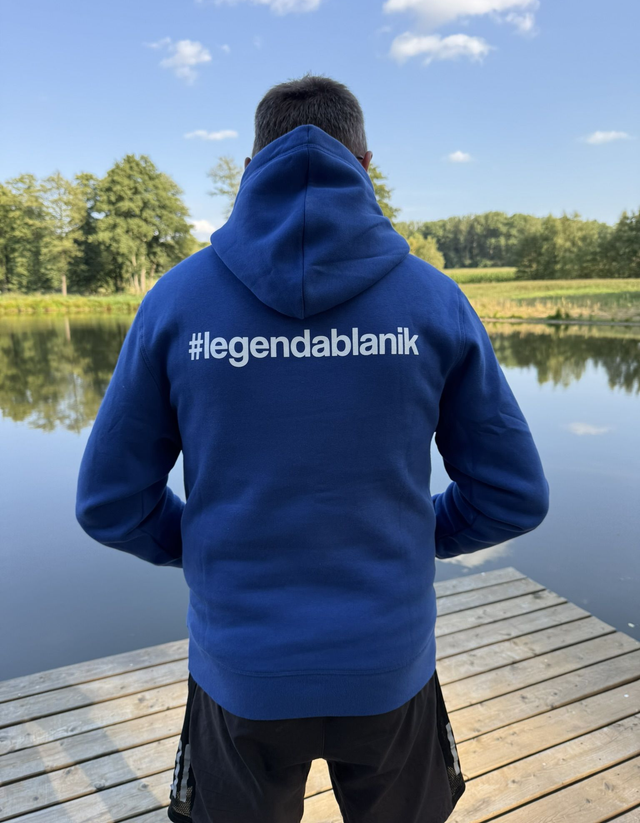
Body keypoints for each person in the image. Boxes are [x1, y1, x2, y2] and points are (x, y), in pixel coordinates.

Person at [76, 74, 550, 823]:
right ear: (365, 165)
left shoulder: (176, 302)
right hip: (388, 667)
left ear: (248, 169)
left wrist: (203, 542)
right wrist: (416, 531)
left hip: (241, 671)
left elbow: (110, 504)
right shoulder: (433, 301)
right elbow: (512, 495)